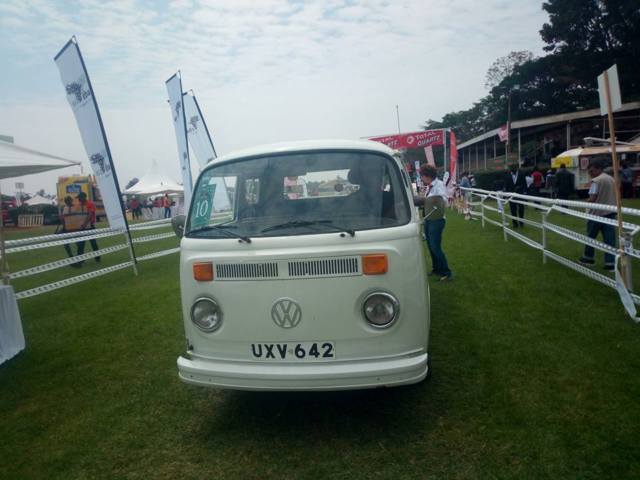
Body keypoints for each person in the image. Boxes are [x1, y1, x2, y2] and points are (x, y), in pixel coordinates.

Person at [579, 160, 617, 271]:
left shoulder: (596, 181)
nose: (590, 173)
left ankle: (588, 258)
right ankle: (610, 263)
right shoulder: (611, 179)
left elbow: (593, 198)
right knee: (610, 239)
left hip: (596, 213)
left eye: (591, 171)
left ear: (598, 169)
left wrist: (586, 202)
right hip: (610, 212)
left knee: (590, 237)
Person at [417, 164, 452, 281]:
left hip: (437, 221)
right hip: (428, 219)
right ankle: (436, 269)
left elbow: (444, 200)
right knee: (430, 246)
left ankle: (446, 272)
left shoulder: (439, 185)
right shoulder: (429, 186)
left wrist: (431, 201)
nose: (421, 178)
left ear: (427, 175)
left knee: (435, 247)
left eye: (422, 176)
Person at [76, 191, 101, 264]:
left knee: (93, 242)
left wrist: (84, 224)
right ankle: (80, 260)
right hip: (82, 226)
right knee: (81, 243)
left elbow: (90, 215)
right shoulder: (80, 205)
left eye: (79, 198)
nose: (78, 199)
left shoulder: (90, 204)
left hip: (90, 226)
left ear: (84, 197)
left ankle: (97, 257)